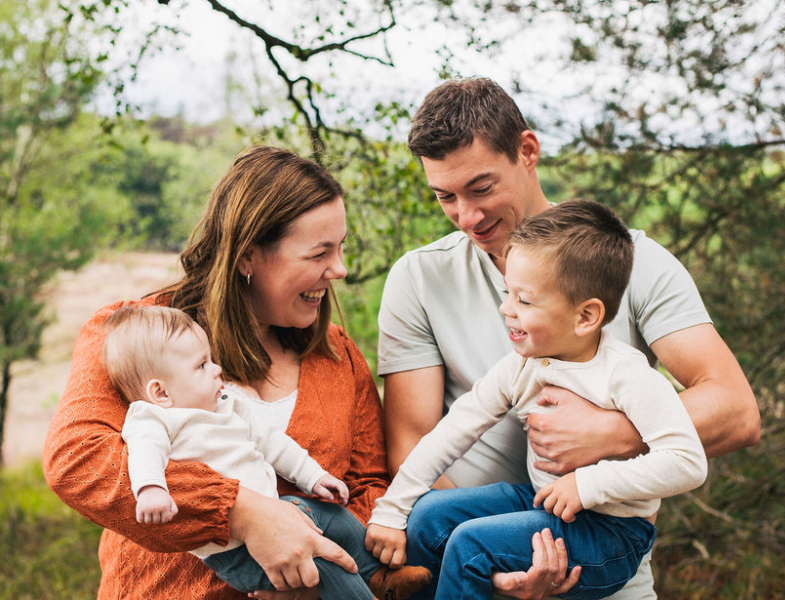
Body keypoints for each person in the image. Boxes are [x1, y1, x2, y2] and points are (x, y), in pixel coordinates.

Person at [378, 77, 760, 599]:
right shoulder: (419, 278)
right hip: (479, 552)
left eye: (482, 188)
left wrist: (613, 433)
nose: (468, 216)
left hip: (598, 545)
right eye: (446, 196)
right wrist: (488, 563)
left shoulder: (632, 262)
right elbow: (413, 442)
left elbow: (737, 410)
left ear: (527, 151)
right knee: (432, 525)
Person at [44, 146, 391, 600]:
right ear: (247, 257)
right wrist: (241, 512)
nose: (340, 269)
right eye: (318, 253)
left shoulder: (338, 357)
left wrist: (324, 572)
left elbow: (366, 485)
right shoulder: (132, 337)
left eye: (341, 247)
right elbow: (78, 460)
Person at [366, 199, 708, 599]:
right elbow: (453, 433)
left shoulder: (626, 374)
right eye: (508, 293)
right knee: (427, 516)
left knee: (469, 546)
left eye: (523, 300)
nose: (506, 309)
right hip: (542, 503)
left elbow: (687, 463)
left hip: (612, 534)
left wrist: (588, 483)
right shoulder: (523, 365)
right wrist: (392, 510)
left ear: (586, 317)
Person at [101, 305, 429, 600]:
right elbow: (144, 453)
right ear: (160, 392)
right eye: (201, 366)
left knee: (335, 518)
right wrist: (151, 489)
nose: (217, 370)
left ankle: (380, 576)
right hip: (233, 550)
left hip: (280, 513)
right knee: (321, 565)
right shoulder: (153, 418)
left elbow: (272, 442)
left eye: (211, 359)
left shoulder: (226, 403)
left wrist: (314, 476)